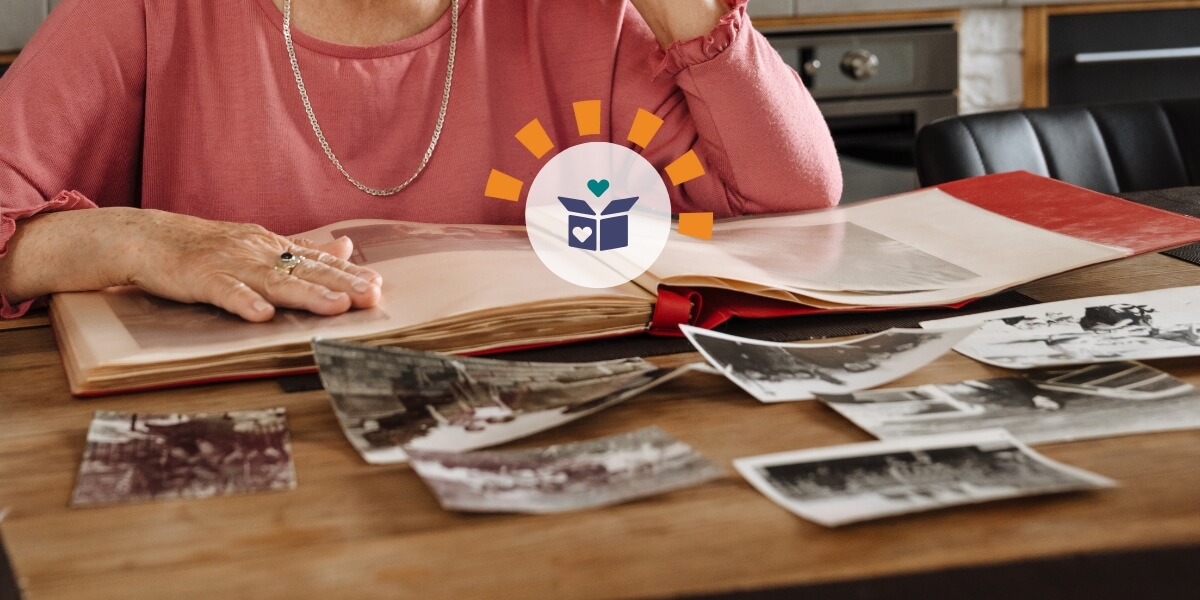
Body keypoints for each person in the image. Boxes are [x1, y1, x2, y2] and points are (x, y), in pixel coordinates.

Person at [0, 0, 842, 322]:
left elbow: (789, 206)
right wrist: (142, 241)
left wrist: (686, 8)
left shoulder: (580, 15)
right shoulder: (142, 8)